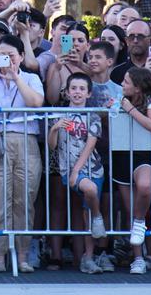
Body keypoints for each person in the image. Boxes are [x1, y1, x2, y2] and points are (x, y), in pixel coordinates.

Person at [0, 33, 44, 273]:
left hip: (26, 140)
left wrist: (16, 77)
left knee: (25, 198)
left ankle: (23, 257)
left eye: (11, 55)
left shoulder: (31, 78)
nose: (6, 60)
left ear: (22, 57)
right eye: (1, 55)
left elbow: (36, 103)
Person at [46, 72, 106, 273]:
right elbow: (52, 147)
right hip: (68, 168)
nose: (77, 92)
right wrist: (54, 129)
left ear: (89, 93)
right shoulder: (59, 114)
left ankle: (88, 257)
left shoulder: (93, 115)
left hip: (91, 168)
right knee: (88, 190)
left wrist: (77, 170)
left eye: (82, 89)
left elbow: (90, 145)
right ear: (67, 92)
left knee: (86, 210)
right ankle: (99, 218)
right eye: (73, 88)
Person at [113, 67, 151, 275]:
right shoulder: (118, 99)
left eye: (126, 82)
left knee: (144, 187)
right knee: (130, 209)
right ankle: (138, 258)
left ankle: (141, 223)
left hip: (144, 156)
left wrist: (130, 109)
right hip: (122, 157)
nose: (122, 85)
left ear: (138, 86)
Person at [110, 19, 151, 83]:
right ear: (126, 41)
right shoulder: (117, 73)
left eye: (140, 36)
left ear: (149, 40)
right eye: (131, 37)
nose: (135, 41)